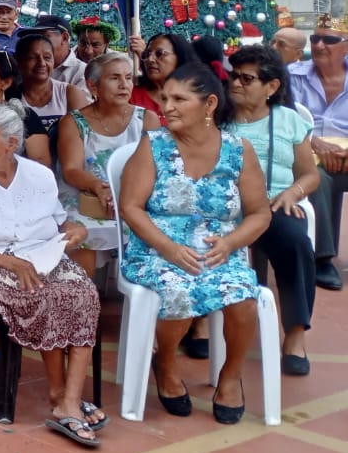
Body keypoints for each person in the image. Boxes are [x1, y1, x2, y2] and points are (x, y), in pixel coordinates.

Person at [120, 64, 270, 423]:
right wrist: (169, 248)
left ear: (209, 104)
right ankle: (166, 364)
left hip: (219, 252)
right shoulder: (153, 145)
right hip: (156, 250)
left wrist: (231, 242)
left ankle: (230, 377)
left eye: (179, 99)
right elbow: (130, 207)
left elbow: (260, 213)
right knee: (178, 291)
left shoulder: (238, 150)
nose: (166, 107)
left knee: (243, 298)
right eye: (164, 98)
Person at [0, 104, 104, 446]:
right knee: (43, 294)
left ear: (11, 143)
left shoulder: (39, 176)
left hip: (41, 254)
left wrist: (75, 231)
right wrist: (12, 264)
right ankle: (61, 397)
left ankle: (69, 398)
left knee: (83, 293)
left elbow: (61, 223)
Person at [228, 46, 318, 374]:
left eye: (246, 78)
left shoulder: (289, 120)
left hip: (274, 204)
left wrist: (293, 193)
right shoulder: (217, 117)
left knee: (296, 242)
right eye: (233, 76)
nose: (235, 83)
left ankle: (294, 335)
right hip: (226, 206)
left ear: (272, 86)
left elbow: (310, 175)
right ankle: (200, 324)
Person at [54, 51, 156, 274]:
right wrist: (99, 186)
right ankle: (84, 292)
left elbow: (155, 167)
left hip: (134, 194)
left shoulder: (147, 118)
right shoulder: (73, 121)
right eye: (114, 78)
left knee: (153, 222)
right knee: (78, 229)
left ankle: (133, 289)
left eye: (128, 78)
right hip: (85, 194)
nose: (124, 85)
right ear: (92, 86)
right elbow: (71, 170)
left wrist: (126, 193)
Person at [290, 20, 348, 290]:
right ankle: (322, 259)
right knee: (317, 178)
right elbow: (286, 117)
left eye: (330, 40)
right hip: (308, 150)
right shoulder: (293, 75)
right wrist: (314, 143)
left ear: (346, 47)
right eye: (315, 39)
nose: (320, 45)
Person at [10, 31, 90, 131]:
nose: (42, 63)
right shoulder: (9, 96)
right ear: (18, 60)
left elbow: (82, 134)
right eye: (32, 57)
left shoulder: (70, 93)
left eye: (47, 57)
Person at [131, 32, 195, 117]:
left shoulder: (195, 98)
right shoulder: (131, 96)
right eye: (147, 54)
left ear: (179, 57)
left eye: (159, 53)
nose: (150, 59)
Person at [34, 13, 87, 89]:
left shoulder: (81, 72)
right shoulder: (29, 64)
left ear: (65, 38)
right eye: (35, 37)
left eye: (44, 37)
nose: (37, 43)